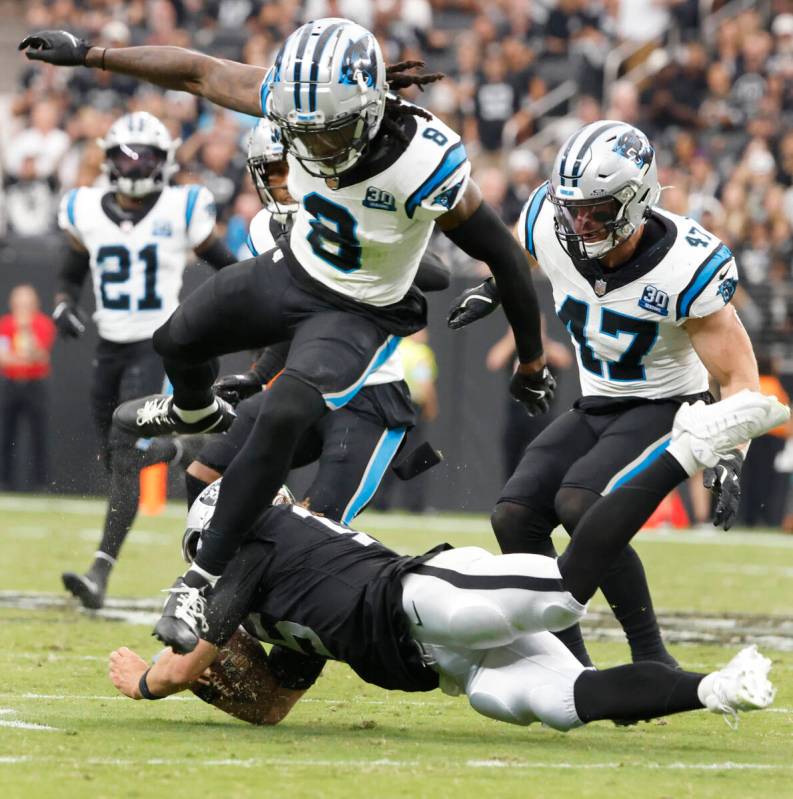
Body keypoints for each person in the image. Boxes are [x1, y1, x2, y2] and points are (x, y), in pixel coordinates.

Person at [20, 21, 554, 652]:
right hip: (297, 270)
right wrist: (91, 54)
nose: (318, 147)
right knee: (177, 339)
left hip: (356, 310)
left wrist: (530, 361)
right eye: (305, 132)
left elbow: (506, 258)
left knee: (286, 410)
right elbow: (196, 70)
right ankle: (196, 410)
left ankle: (199, 581)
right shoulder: (298, 100)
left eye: (329, 130)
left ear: (368, 108)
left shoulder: (424, 159)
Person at [108, 390, 787, 729]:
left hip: (423, 595)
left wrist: (145, 681)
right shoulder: (269, 606)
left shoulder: (257, 544)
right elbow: (272, 704)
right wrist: (221, 687)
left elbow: (190, 655)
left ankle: (686, 446)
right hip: (442, 664)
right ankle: (711, 689)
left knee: (557, 592)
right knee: (557, 702)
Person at [447, 121, 762, 669]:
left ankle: (651, 657)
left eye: (597, 208)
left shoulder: (687, 266)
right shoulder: (550, 218)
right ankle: (571, 663)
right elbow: (521, 254)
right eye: (573, 208)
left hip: (667, 406)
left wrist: (733, 453)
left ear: (637, 199)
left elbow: (738, 378)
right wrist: (496, 289)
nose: (581, 221)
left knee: (581, 503)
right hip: (597, 402)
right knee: (515, 516)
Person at [186, 117, 448, 522]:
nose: (285, 182)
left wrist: (358, 247)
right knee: (204, 475)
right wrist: (257, 375)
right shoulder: (261, 229)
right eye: (273, 171)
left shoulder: (353, 207)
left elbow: (437, 273)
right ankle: (224, 579)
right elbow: (292, 321)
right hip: (303, 381)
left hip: (368, 388)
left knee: (317, 525)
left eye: (292, 169)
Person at [55, 111, 237, 610]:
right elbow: (72, 269)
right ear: (109, 158)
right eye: (126, 155)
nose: (135, 165)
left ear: (165, 161)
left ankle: (99, 572)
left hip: (156, 344)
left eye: (146, 156)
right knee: (115, 458)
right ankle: (184, 450)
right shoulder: (85, 207)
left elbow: (227, 265)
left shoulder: (182, 207)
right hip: (108, 345)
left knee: (126, 451)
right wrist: (65, 303)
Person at [0, 284, 56, 490]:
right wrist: (24, 359)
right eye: (19, 301)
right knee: (6, 434)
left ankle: (41, 483)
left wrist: (25, 329)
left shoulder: (42, 324)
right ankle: (4, 482)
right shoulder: (5, 324)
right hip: (11, 384)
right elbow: (4, 359)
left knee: (38, 435)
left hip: (35, 385)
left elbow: (40, 355)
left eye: (27, 301)